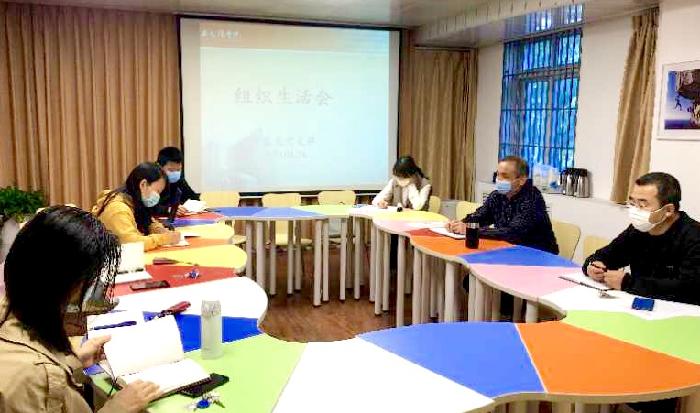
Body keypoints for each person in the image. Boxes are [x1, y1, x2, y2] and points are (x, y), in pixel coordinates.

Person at [0, 206, 160, 412]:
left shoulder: (10, 310)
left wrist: (72, 362)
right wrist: (116, 409)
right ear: (57, 287)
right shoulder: (32, 377)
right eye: (87, 284)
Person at [583, 172, 700, 305]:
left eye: (642, 205)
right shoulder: (638, 230)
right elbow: (605, 255)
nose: (635, 210)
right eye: (632, 202)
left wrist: (628, 283)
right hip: (641, 305)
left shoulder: (694, 236)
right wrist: (592, 266)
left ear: (668, 210)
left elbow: (689, 289)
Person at [447, 156, 558, 254]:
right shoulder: (497, 196)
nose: (499, 180)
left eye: (505, 176)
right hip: (509, 250)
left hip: (537, 255)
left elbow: (513, 233)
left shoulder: (532, 198)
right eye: (498, 175)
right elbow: (480, 217)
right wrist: (460, 224)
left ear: (522, 180)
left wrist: (471, 230)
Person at [93, 162, 181, 250]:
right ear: (143, 184)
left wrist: (159, 230)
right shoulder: (118, 209)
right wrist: (164, 239)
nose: (158, 197)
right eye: (157, 191)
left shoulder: (135, 203)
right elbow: (132, 243)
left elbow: (147, 222)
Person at [154, 147, 200, 216]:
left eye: (178, 170)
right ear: (159, 166)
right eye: (171, 170)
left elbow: (193, 197)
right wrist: (168, 209)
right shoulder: (151, 178)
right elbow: (149, 206)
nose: (175, 173)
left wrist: (184, 206)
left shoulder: (179, 178)